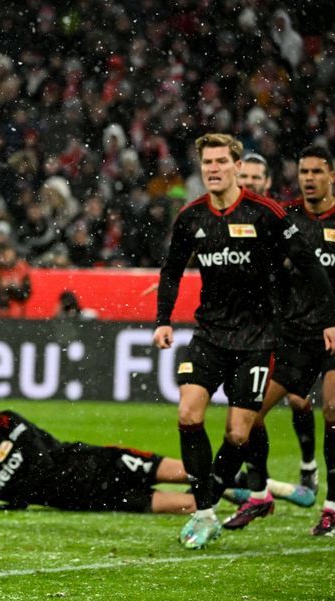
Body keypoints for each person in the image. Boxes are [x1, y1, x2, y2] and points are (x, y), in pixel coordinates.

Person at [153, 133, 335, 549]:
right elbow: (171, 271)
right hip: (210, 335)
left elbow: (309, 265)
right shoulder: (191, 218)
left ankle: (220, 494)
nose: (213, 169)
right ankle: (204, 511)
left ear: (237, 166)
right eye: (207, 163)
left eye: (221, 162)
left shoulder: (266, 214)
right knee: (187, 414)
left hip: (257, 340)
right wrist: (163, 320)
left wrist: (329, 319)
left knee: (239, 433)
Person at [228, 146, 335, 535]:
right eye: (304, 171)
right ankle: (260, 494)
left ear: (331, 176)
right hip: (294, 336)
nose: (309, 178)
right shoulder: (286, 218)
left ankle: (332, 506)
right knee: (251, 415)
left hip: (333, 335)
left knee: (333, 410)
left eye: (317, 172)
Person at [0, 400, 195, 513]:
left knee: (190, 472)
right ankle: (231, 490)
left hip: (101, 464)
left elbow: (42, 457)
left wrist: (19, 499)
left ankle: (237, 481)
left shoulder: (5, 423)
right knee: (191, 504)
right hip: (90, 501)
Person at [235, 151, 319, 495]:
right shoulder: (232, 221)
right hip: (259, 328)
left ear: (267, 182)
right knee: (251, 407)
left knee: (300, 403)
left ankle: (308, 463)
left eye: (256, 178)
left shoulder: (282, 219)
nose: (250, 183)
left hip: (298, 327)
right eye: (245, 178)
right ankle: (259, 475)